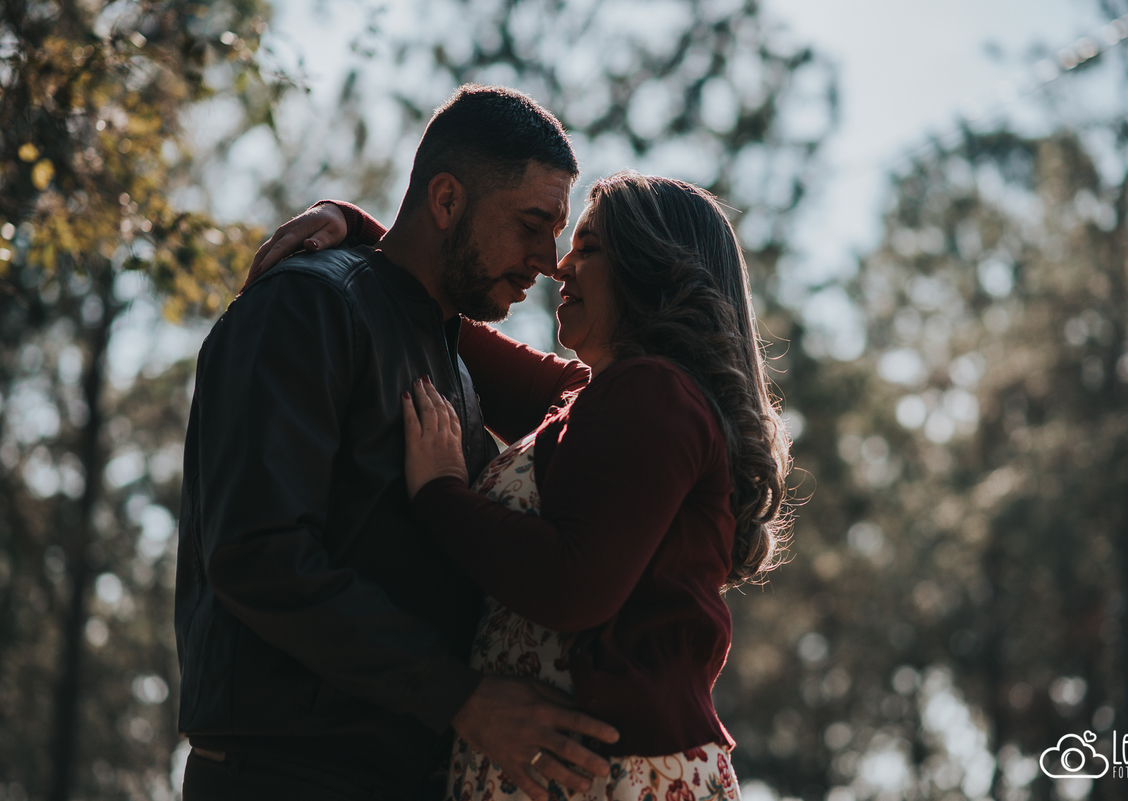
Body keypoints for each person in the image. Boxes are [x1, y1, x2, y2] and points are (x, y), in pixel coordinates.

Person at [256, 170, 793, 801]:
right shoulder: (594, 397)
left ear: (652, 270)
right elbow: (464, 336)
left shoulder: (657, 394)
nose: (561, 267)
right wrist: (366, 231)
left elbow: (575, 586)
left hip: (612, 775)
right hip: (560, 767)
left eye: (588, 248)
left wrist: (440, 495)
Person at [174, 84, 619, 801]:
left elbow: (609, 408)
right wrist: (462, 696)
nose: (550, 260)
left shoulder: (456, 362)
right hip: (281, 778)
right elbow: (257, 552)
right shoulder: (307, 306)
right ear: (446, 202)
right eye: (533, 224)